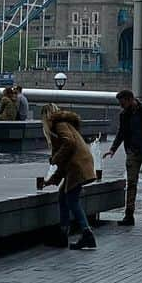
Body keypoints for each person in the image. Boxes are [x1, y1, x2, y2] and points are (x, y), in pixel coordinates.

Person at [104, 89, 142, 227]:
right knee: (131, 183)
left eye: (122, 103)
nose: (121, 106)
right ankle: (129, 215)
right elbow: (121, 133)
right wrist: (113, 149)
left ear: (130, 99)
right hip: (133, 152)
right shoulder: (124, 114)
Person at [40, 103, 97, 250]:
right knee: (62, 196)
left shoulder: (59, 124)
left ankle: (87, 234)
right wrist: (51, 180)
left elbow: (69, 143)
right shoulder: (64, 125)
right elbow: (64, 159)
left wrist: (55, 159)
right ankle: (63, 234)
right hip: (77, 164)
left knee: (72, 199)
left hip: (77, 166)